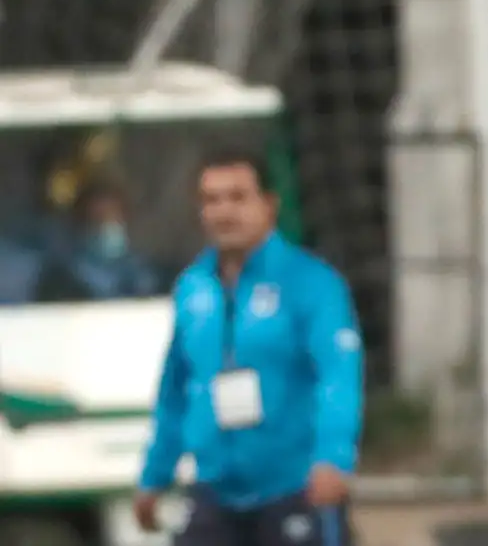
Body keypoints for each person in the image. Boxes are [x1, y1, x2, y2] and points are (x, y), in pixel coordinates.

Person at [134, 149, 364, 546]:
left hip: (292, 487)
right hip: (215, 490)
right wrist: (155, 475)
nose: (225, 212)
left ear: (269, 205)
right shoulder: (193, 288)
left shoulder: (310, 282)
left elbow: (338, 375)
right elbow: (175, 389)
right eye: (212, 200)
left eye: (238, 197)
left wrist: (333, 456)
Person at [35, 177, 160, 302]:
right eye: (98, 219)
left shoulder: (144, 273)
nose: (107, 226)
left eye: (113, 218)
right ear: (82, 225)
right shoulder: (61, 278)